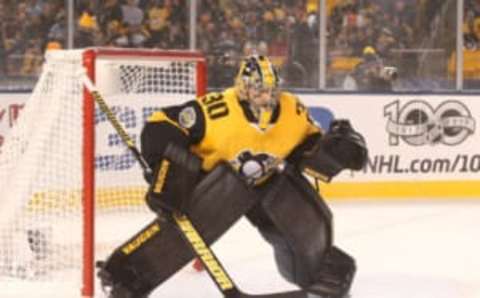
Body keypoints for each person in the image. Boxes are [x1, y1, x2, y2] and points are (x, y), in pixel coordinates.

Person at [96, 55, 368, 298]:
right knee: (184, 230)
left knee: (297, 214)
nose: (266, 97)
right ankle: (126, 274)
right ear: (243, 88)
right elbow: (160, 124)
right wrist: (166, 171)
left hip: (268, 184)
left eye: (271, 90)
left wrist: (334, 151)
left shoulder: (293, 110)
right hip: (217, 184)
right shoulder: (215, 110)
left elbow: (305, 147)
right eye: (258, 90)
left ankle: (317, 270)